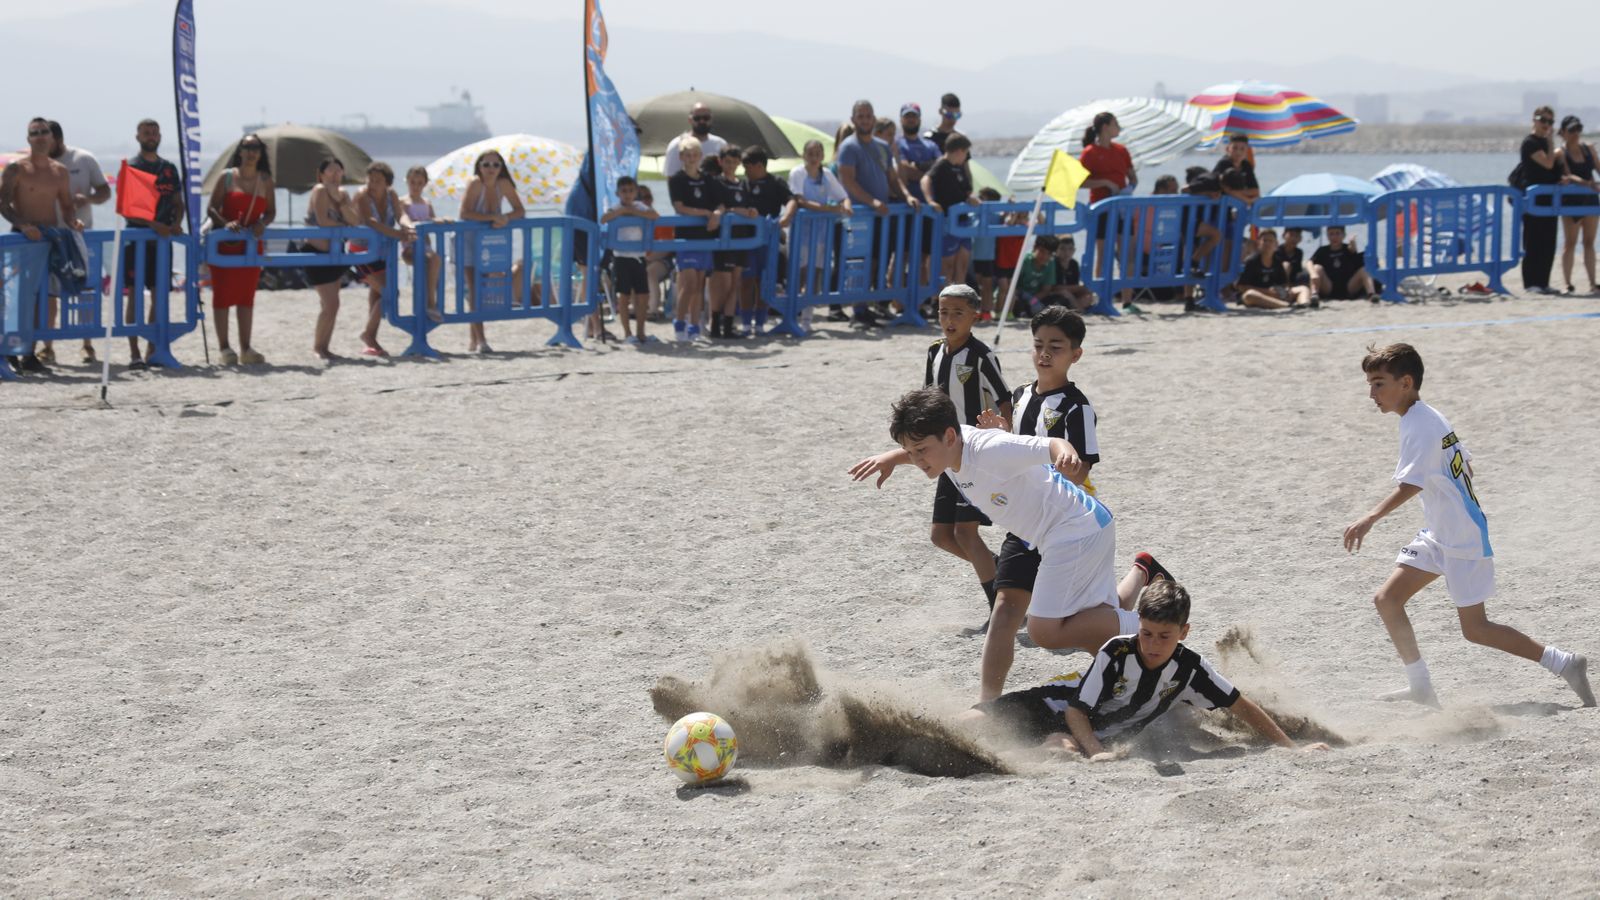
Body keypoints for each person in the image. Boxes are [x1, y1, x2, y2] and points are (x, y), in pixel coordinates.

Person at [1342, 343, 1594, 709]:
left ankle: (1564, 662)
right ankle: (1420, 687)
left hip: (1461, 538)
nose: (1371, 393)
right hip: (1441, 532)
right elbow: (1465, 464)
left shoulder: (1419, 424)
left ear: (1406, 383)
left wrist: (1370, 517)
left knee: (1475, 629)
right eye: (1369, 384)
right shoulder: (1428, 415)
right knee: (1387, 600)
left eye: (1378, 384)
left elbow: (1412, 484)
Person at [850, 389, 1147, 699]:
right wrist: (892, 458)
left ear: (950, 436)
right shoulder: (948, 449)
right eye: (909, 451)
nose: (916, 459)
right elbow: (922, 451)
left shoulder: (991, 448)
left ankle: (1151, 625)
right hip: (1059, 532)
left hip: (1074, 530)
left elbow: (1050, 445)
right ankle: (1139, 602)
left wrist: (1066, 454)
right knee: (1091, 623)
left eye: (920, 450)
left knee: (1044, 630)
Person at [970, 306, 1170, 697]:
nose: (1045, 353)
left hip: (1072, 521)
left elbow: (1082, 470)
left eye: (1056, 347)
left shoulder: (1077, 406)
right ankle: (988, 703)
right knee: (1006, 608)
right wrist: (1001, 433)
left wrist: (1066, 462)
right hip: (1028, 520)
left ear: (1075, 355)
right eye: (1039, 345)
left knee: (1088, 616)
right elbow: (1017, 446)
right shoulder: (1021, 395)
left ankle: (1141, 582)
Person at [967, 580, 1328, 757]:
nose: (1153, 645)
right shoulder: (1116, 651)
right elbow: (1076, 709)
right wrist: (1098, 753)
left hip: (1079, 732)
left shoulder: (1190, 669)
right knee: (972, 725)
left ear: (1184, 632)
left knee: (1055, 753)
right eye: (1147, 633)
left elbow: (1241, 705)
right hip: (1052, 705)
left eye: (1164, 637)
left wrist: (1291, 748)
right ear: (1137, 623)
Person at [918, 285, 1011, 632]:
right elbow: (930, 399)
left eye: (958, 313)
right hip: (946, 453)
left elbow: (1005, 398)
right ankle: (1003, 570)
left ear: (975, 315)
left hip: (974, 453)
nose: (949, 319)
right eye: (944, 312)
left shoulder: (981, 356)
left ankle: (1000, 612)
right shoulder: (933, 352)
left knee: (965, 532)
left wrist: (1005, 434)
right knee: (941, 536)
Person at [0, 117, 85, 374]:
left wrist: (74, 221)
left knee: (41, 299)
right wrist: (24, 225)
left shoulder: (60, 171)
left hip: (48, 241)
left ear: (52, 138)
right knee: (17, 299)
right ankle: (9, 351)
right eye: (34, 133)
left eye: (43, 132)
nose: (39, 136)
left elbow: (67, 206)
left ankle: (29, 352)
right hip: (22, 239)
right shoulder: (16, 169)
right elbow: (3, 204)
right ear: (28, 139)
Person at [837, 100, 918, 327]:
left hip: (881, 215)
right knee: (859, 262)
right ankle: (858, 309)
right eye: (860, 116)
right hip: (861, 216)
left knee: (878, 260)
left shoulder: (882, 146)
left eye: (868, 116)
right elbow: (847, 181)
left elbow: (893, 178)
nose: (865, 120)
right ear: (854, 120)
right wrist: (871, 201)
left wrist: (907, 196)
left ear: (873, 119)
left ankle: (873, 306)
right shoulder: (848, 147)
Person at [35, 121, 110, 366]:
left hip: (81, 235)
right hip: (49, 235)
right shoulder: (39, 163)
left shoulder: (83, 159)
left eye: (46, 137)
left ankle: (87, 345)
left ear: (56, 138)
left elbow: (105, 192)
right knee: (48, 292)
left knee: (84, 290)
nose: (42, 143)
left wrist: (86, 199)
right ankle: (47, 347)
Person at [121, 119, 186, 368]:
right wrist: (151, 224)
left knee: (160, 297)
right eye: (146, 133)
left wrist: (176, 223)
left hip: (162, 242)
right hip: (137, 240)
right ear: (137, 137)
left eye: (154, 132)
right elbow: (127, 210)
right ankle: (134, 353)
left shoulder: (168, 168)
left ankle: (152, 350)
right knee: (134, 297)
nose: (151, 136)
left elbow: (177, 203)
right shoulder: (131, 167)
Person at [459, 149, 527, 354]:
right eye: (486, 164)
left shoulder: (504, 184)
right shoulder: (474, 183)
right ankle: (481, 340)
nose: (491, 169)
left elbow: (520, 210)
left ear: (502, 168)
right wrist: (492, 219)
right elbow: (464, 213)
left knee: (483, 288)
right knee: (474, 288)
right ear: (479, 166)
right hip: (469, 239)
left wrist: (505, 217)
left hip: (490, 241)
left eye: (496, 165)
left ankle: (473, 340)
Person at [788, 139, 851, 330]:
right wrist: (829, 209)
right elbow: (800, 200)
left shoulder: (827, 174)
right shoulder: (797, 173)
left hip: (822, 234)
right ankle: (793, 314)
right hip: (802, 233)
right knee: (798, 274)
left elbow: (843, 195)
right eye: (810, 154)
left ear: (822, 156)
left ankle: (807, 319)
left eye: (818, 154)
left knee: (814, 275)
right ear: (804, 155)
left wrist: (846, 207)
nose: (814, 158)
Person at [353, 162, 413, 357]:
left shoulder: (392, 195)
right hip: (363, 251)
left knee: (377, 295)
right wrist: (397, 234)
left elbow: (400, 214)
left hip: (384, 252)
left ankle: (372, 340)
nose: (372, 184)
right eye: (370, 179)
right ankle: (368, 334)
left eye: (378, 181)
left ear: (387, 182)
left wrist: (407, 226)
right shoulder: (362, 195)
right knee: (389, 292)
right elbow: (371, 222)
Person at [302, 157, 359, 363]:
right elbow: (323, 221)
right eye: (331, 171)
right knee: (330, 304)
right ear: (322, 174)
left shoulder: (343, 194)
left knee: (332, 305)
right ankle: (318, 347)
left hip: (336, 253)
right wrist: (344, 222)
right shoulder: (319, 190)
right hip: (316, 253)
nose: (335, 175)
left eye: (338, 171)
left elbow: (355, 220)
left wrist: (342, 204)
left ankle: (325, 347)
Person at [667, 136, 720, 343]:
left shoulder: (708, 180)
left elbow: (720, 203)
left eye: (695, 155)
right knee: (687, 284)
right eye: (687, 155)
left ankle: (694, 326)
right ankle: (679, 323)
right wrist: (704, 213)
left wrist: (715, 214)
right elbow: (679, 207)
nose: (691, 159)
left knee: (699, 284)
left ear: (700, 156)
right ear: (681, 157)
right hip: (685, 238)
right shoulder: (677, 179)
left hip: (704, 237)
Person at [1079, 112, 1135, 307]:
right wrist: (1105, 182)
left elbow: (1132, 177)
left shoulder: (1122, 150)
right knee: (1103, 253)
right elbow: (1080, 182)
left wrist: (1129, 188)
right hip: (1101, 209)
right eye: (1115, 124)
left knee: (1127, 251)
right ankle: (1102, 297)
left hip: (1122, 208)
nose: (1118, 128)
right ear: (1104, 127)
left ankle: (1127, 300)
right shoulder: (1089, 152)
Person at [740, 145, 794, 336]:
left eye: (748, 166)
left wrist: (786, 217)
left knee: (763, 283)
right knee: (746, 281)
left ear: (759, 165)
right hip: (746, 241)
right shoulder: (743, 184)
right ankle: (746, 323)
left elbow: (791, 200)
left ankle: (760, 323)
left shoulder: (776, 182)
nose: (745, 170)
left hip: (768, 242)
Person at [600, 175, 658, 344]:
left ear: (636, 192)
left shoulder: (641, 206)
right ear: (618, 193)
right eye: (624, 191)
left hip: (639, 258)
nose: (627, 194)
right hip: (621, 258)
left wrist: (634, 211)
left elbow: (655, 215)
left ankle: (641, 332)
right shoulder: (615, 207)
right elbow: (603, 219)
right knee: (623, 297)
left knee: (643, 296)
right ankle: (627, 333)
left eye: (631, 190)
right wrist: (621, 212)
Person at [921, 134, 978, 291]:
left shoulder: (960, 168)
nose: (966, 156)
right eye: (966, 152)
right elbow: (925, 180)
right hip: (947, 221)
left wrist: (970, 198)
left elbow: (965, 190)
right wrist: (930, 200)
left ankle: (960, 299)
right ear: (959, 151)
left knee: (963, 263)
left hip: (963, 220)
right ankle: (944, 300)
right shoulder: (941, 165)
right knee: (947, 265)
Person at [1518, 106, 1562, 295]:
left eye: (1550, 122)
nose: (1546, 125)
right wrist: (1551, 143)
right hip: (1533, 199)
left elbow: (1554, 168)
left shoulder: (1546, 144)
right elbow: (1547, 163)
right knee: (1533, 240)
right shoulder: (1530, 143)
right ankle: (1531, 282)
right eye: (1542, 120)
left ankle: (1544, 281)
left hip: (1549, 198)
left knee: (1548, 241)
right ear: (1534, 120)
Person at [1554, 115, 1599, 294]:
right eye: (1571, 130)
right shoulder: (1560, 152)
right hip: (1571, 201)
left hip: (1590, 200)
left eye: (1578, 129)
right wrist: (1587, 183)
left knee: (1589, 242)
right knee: (1570, 243)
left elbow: (1598, 168)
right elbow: (1567, 174)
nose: (1575, 134)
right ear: (1563, 132)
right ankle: (1568, 283)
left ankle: (1593, 283)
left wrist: (1592, 185)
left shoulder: (1588, 149)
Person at [400, 165, 445, 324]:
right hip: (410, 247)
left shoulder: (427, 202)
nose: (416, 186)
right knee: (434, 260)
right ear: (407, 182)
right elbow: (403, 219)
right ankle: (430, 303)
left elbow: (432, 219)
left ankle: (428, 302)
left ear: (425, 184)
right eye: (413, 182)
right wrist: (414, 225)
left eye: (419, 183)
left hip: (425, 247)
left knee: (433, 263)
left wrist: (440, 221)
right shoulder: (403, 202)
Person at [1236, 229, 1313, 310]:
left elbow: (1283, 283)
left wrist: (1285, 290)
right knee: (1250, 295)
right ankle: (1287, 306)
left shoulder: (1277, 261)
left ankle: (1304, 304)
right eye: (1265, 240)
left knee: (1303, 289)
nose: (1267, 243)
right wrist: (1267, 291)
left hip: (1274, 294)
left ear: (1276, 244)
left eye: (1270, 241)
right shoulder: (1251, 261)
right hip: (1257, 294)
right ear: (1259, 243)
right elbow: (1241, 287)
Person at [1310, 225, 1376, 301]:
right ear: (1327, 236)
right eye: (1331, 234)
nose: (1334, 237)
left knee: (1364, 270)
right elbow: (1310, 262)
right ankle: (1314, 295)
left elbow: (1357, 260)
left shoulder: (1348, 248)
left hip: (1349, 286)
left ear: (1343, 235)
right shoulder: (1323, 250)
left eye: (1337, 233)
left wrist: (1354, 248)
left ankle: (1372, 295)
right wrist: (1313, 273)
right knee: (1317, 268)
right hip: (1329, 286)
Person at [662, 103, 726, 179]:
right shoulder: (676, 144)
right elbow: (671, 177)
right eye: (697, 118)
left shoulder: (721, 144)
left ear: (711, 119)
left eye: (706, 118)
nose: (702, 121)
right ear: (690, 120)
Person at [895, 103, 940, 204]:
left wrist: (917, 166)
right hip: (907, 206)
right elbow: (905, 170)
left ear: (919, 119)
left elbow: (941, 168)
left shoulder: (931, 145)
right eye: (907, 116)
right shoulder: (896, 144)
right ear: (901, 120)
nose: (911, 119)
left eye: (914, 116)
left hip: (931, 207)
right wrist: (929, 174)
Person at [970, 186, 1003, 318]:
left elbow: (1005, 220)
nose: (979, 200)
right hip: (975, 255)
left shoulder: (996, 216)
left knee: (987, 285)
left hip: (989, 255)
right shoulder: (974, 213)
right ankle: (976, 311)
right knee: (975, 286)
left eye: (982, 198)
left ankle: (986, 311)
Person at [1051, 235, 1097, 310]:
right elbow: (1054, 288)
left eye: (1070, 249)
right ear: (1056, 250)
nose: (1066, 252)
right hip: (1055, 294)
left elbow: (1075, 285)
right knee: (1065, 294)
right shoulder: (1053, 263)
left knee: (1088, 295)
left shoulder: (1074, 264)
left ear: (1074, 250)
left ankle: (1075, 308)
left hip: (1069, 293)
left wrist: (1082, 289)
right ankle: (1077, 309)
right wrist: (1077, 289)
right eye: (1062, 249)